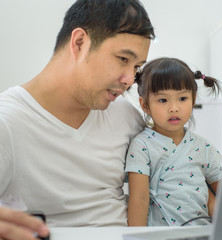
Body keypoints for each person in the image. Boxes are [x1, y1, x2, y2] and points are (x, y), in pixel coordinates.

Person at [0, 0, 155, 234]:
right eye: (123, 59)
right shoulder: (7, 122)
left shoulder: (125, 115)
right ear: (80, 43)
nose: (129, 80)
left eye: (136, 67)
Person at [125, 57, 222, 226]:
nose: (174, 108)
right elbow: (139, 200)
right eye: (163, 100)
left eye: (182, 99)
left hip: (202, 232)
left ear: (193, 99)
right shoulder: (142, 146)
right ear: (145, 105)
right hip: (160, 235)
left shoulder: (204, 147)